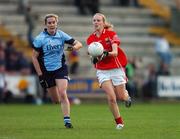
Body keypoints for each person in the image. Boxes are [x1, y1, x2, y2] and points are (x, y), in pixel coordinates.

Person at [31, 14, 83, 128]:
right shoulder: (40, 39)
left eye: (53, 22)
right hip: (46, 71)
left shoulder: (61, 35)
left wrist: (71, 48)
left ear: (56, 23)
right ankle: (62, 104)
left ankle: (67, 121)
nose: (51, 24)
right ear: (46, 24)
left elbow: (79, 44)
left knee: (63, 93)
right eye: (49, 23)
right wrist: (40, 76)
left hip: (60, 68)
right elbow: (34, 57)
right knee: (55, 100)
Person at [86, 13, 131, 130]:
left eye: (98, 20)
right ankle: (119, 123)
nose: (96, 22)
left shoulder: (111, 34)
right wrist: (94, 57)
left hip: (116, 68)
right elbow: (92, 57)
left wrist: (104, 53)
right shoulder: (90, 39)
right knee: (111, 97)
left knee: (121, 97)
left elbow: (115, 52)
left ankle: (127, 97)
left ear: (103, 22)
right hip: (102, 71)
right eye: (94, 20)